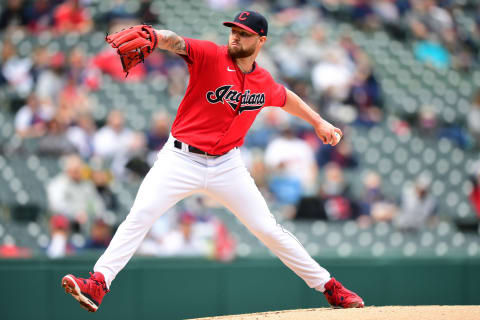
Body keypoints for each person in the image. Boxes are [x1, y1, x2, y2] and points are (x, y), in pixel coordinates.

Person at [61, 11, 364, 312]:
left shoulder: (262, 80)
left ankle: (329, 286)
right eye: (233, 30)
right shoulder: (210, 55)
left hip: (227, 165)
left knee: (268, 230)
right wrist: (154, 36)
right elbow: (176, 42)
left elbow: (286, 97)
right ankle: (98, 282)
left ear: (261, 40)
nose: (235, 35)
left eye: (244, 33)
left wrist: (319, 121)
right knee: (139, 216)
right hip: (180, 158)